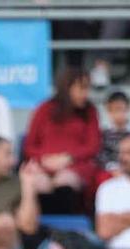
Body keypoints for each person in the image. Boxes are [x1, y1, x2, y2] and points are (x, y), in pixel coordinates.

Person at [20, 67, 101, 208]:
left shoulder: (90, 111)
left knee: (65, 181)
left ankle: (67, 226)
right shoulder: (44, 109)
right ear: (67, 88)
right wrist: (44, 159)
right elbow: (30, 146)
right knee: (40, 183)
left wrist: (68, 158)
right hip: (43, 164)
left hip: (76, 165)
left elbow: (93, 146)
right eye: (81, 89)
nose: (85, 94)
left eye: (87, 89)